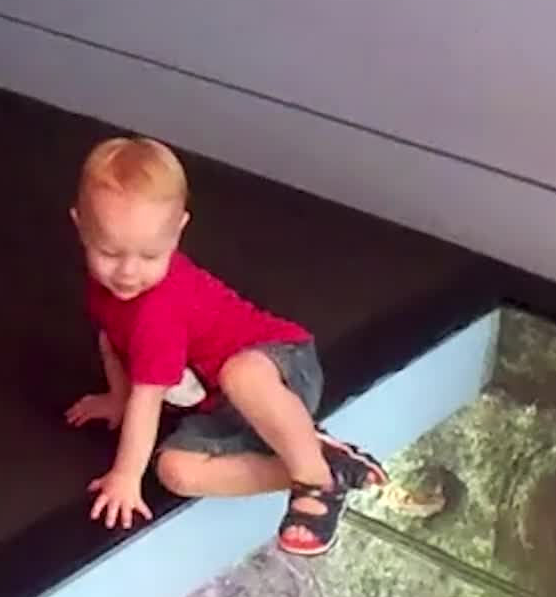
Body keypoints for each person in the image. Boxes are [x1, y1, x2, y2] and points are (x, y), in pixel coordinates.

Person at [63, 136, 386, 555]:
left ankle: (315, 480)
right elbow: (112, 341)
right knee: (175, 471)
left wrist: (126, 476)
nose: (127, 272)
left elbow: (149, 398)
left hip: (281, 367)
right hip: (221, 409)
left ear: (178, 231)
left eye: (149, 256)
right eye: (108, 252)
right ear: (80, 228)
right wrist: (116, 397)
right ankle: (322, 461)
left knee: (241, 373)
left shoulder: (157, 311)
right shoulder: (108, 289)